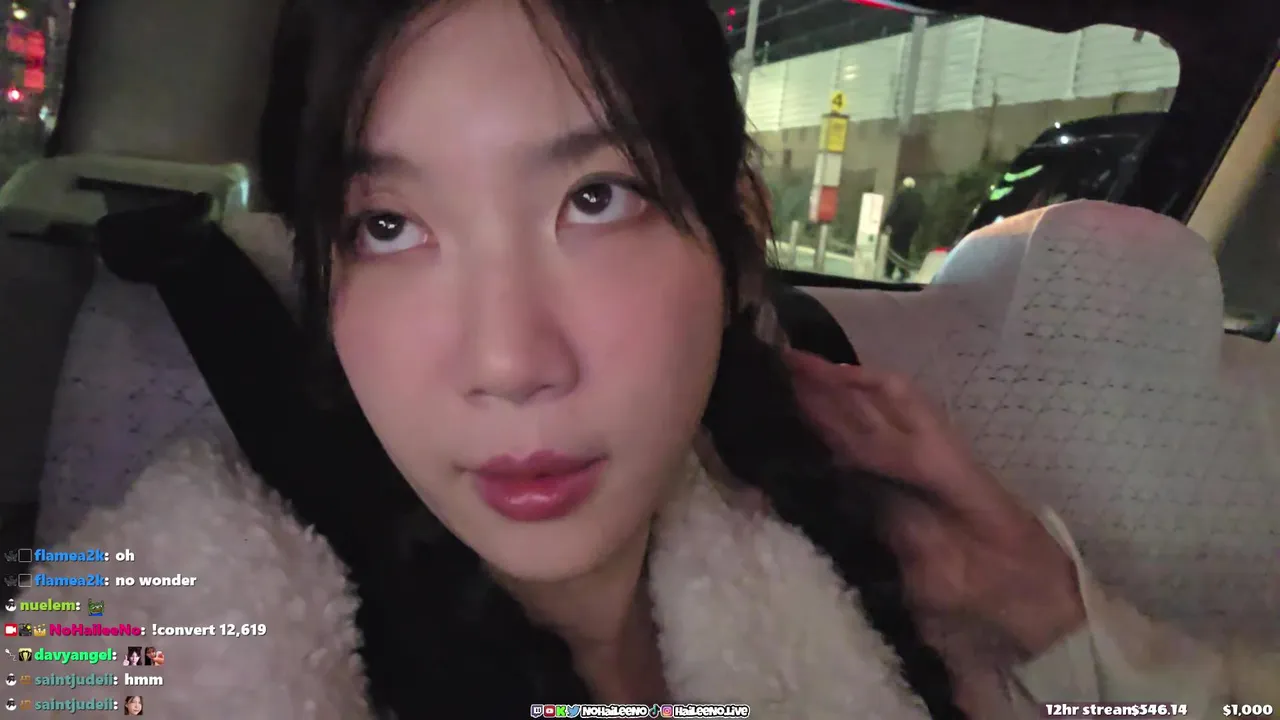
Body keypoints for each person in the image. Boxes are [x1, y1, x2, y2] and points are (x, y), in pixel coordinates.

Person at [5, 1, 1276, 719]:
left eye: (595, 199)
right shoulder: (178, 585)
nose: (508, 360)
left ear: (732, 243)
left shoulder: (846, 566)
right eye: (387, 226)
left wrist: (1051, 618)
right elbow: (67, 668)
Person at [883, 176, 925, 280]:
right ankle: (903, 273)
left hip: (898, 227)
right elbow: (922, 212)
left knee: (893, 249)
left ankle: (889, 272)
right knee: (905, 249)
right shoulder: (918, 197)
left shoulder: (901, 196)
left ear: (904, 185)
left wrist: (885, 224)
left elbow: (892, 210)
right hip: (911, 229)